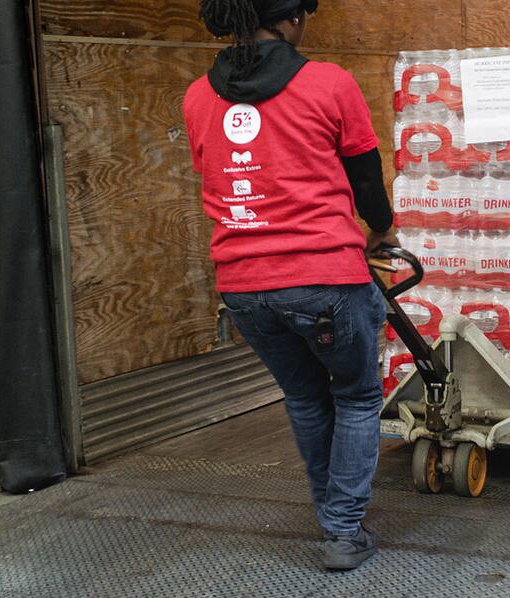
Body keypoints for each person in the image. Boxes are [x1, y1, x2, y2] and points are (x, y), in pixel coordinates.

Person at [183, 0, 398, 571]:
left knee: (304, 395)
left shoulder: (198, 96)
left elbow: (219, 171)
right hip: (324, 278)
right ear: (291, 18)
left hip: (243, 285)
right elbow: (365, 177)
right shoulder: (329, 83)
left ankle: (334, 518)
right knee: (356, 395)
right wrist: (380, 230)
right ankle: (343, 530)